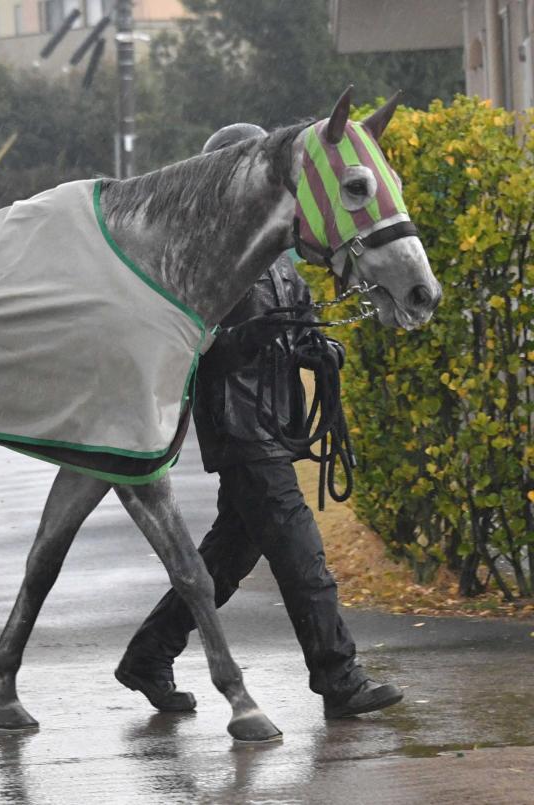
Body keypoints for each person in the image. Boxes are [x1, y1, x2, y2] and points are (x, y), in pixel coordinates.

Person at [114, 124, 404, 720]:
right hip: (240, 429)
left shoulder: (275, 258)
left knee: (222, 560)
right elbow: (190, 343)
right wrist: (237, 342)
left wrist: (318, 350)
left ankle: (148, 655)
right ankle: (338, 678)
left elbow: (296, 327)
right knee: (303, 558)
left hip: (273, 424)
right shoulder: (204, 260)